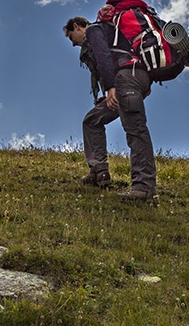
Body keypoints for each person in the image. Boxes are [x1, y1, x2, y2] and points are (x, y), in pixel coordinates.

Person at [63, 14, 158, 202]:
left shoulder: (94, 30)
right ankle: (99, 173)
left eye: (72, 37)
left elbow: (104, 57)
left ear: (77, 26)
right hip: (135, 79)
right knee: (92, 120)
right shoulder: (110, 33)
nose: (74, 44)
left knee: (135, 129)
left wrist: (110, 87)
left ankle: (144, 188)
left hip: (126, 79)